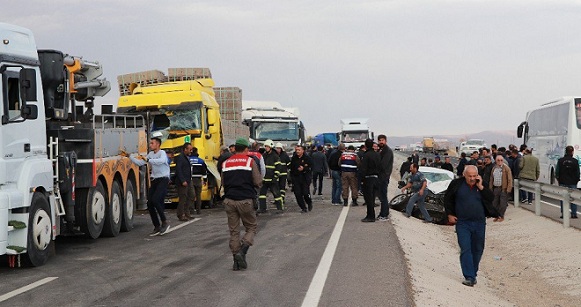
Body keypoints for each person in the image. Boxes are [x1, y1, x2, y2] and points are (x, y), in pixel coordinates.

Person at [444, 165, 497, 287]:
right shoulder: (456, 184)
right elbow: (447, 199)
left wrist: (481, 187)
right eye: (470, 176)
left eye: (474, 176)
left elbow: (491, 198)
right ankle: (469, 276)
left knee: (478, 249)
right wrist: (449, 214)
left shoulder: (482, 184)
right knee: (466, 248)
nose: (472, 178)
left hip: (479, 223)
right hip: (463, 222)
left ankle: (473, 272)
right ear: (464, 175)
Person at [221, 138, 262, 271]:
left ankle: (235, 262)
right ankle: (242, 252)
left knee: (234, 232)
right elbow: (257, 181)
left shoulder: (226, 163)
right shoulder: (249, 161)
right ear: (245, 149)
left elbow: (222, 182)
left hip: (229, 200)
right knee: (251, 227)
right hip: (245, 200)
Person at [125, 134, 171, 236]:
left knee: (155, 200)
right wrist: (130, 156)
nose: (150, 145)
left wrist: (149, 160)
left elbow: (162, 161)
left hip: (163, 179)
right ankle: (157, 226)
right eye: (150, 143)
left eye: (152, 143)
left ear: (158, 144)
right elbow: (140, 163)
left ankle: (165, 222)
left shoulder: (162, 153)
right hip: (154, 180)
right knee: (149, 203)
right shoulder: (150, 154)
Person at [258, 139, 283, 214]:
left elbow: (278, 167)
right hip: (265, 179)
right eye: (265, 146)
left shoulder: (275, 156)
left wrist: (275, 177)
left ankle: (280, 208)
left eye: (267, 146)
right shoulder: (264, 156)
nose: (266, 148)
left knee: (277, 194)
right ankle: (262, 209)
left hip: (272, 179)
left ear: (271, 147)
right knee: (262, 195)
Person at [360, 139, 382, 222]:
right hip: (376, 178)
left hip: (368, 179)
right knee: (372, 198)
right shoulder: (377, 155)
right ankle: (371, 215)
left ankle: (370, 216)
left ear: (365, 146)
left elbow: (364, 168)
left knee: (368, 198)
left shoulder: (366, 155)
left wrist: (362, 179)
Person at [556, 145, 580, 219]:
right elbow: (578, 173)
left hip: (563, 182)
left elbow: (557, 172)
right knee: (573, 198)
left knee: (563, 198)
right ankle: (574, 214)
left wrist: (559, 180)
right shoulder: (575, 161)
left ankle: (564, 213)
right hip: (573, 182)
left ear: (565, 151)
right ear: (572, 152)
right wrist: (576, 180)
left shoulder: (560, 160)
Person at [290, 145, 313, 213]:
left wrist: (304, 168)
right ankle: (303, 208)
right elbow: (291, 169)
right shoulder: (294, 158)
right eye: (296, 150)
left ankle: (309, 202)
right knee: (298, 194)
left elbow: (311, 167)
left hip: (305, 178)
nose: (297, 151)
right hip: (296, 178)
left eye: (299, 150)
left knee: (305, 193)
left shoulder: (307, 158)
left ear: (303, 150)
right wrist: (291, 179)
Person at [489, 155, 512, 222]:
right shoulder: (494, 168)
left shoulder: (506, 168)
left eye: (501, 160)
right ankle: (496, 215)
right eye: (498, 160)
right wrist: (491, 187)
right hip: (496, 188)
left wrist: (508, 189)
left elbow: (510, 179)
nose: (499, 162)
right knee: (494, 203)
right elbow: (491, 178)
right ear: (496, 161)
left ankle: (501, 216)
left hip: (503, 189)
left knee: (503, 204)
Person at [175, 142, 194, 221]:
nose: (191, 151)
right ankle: (181, 214)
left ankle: (187, 213)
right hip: (183, 182)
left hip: (189, 180)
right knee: (183, 198)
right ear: (185, 149)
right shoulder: (180, 157)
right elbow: (178, 169)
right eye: (190, 149)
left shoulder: (187, 157)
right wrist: (182, 180)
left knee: (191, 196)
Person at [377, 134, 393, 220]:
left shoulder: (387, 151)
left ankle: (384, 214)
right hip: (380, 176)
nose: (381, 142)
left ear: (385, 141)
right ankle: (382, 213)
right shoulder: (380, 150)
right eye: (379, 140)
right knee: (381, 196)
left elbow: (383, 165)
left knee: (383, 196)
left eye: (382, 140)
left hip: (384, 177)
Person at [189, 146, 208, 215]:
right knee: (198, 196)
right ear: (197, 152)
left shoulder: (188, 160)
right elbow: (204, 171)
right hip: (198, 180)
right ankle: (198, 210)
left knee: (191, 195)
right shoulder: (201, 161)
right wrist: (205, 180)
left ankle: (191, 210)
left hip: (190, 180)